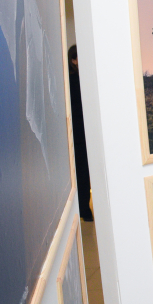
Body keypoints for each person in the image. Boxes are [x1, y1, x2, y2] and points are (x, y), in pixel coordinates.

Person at [68, 45, 94, 221]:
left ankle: (86, 207)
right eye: (79, 58)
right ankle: (84, 208)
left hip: (89, 132)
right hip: (79, 133)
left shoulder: (88, 78)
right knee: (83, 171)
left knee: (91, 170)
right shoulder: (72, 81)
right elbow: (75, 108)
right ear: (73, 60)